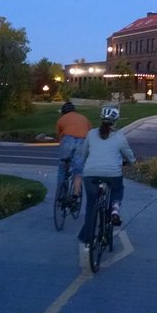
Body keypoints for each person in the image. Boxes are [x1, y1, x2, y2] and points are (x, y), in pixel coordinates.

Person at [77, 106, 136, 246]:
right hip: (112, 174)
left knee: (91, 206)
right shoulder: (119, 136)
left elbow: (83, 154)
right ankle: (115, 208)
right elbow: (128, 154)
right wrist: (131, 162)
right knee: (117, 189)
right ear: (116, 121)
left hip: (90, 174)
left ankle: (88, 237)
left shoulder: (91, 134)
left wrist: (87, 166)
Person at [55, 101, 92, 208]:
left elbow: (60, 137)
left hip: (67, 140)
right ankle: (75, 196)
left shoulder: (61, 120)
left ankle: (61, 195)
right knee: (78, 171)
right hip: (82, 141)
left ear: (63, 112)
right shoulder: (84, 118)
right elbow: (90, 132)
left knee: (62, 169)